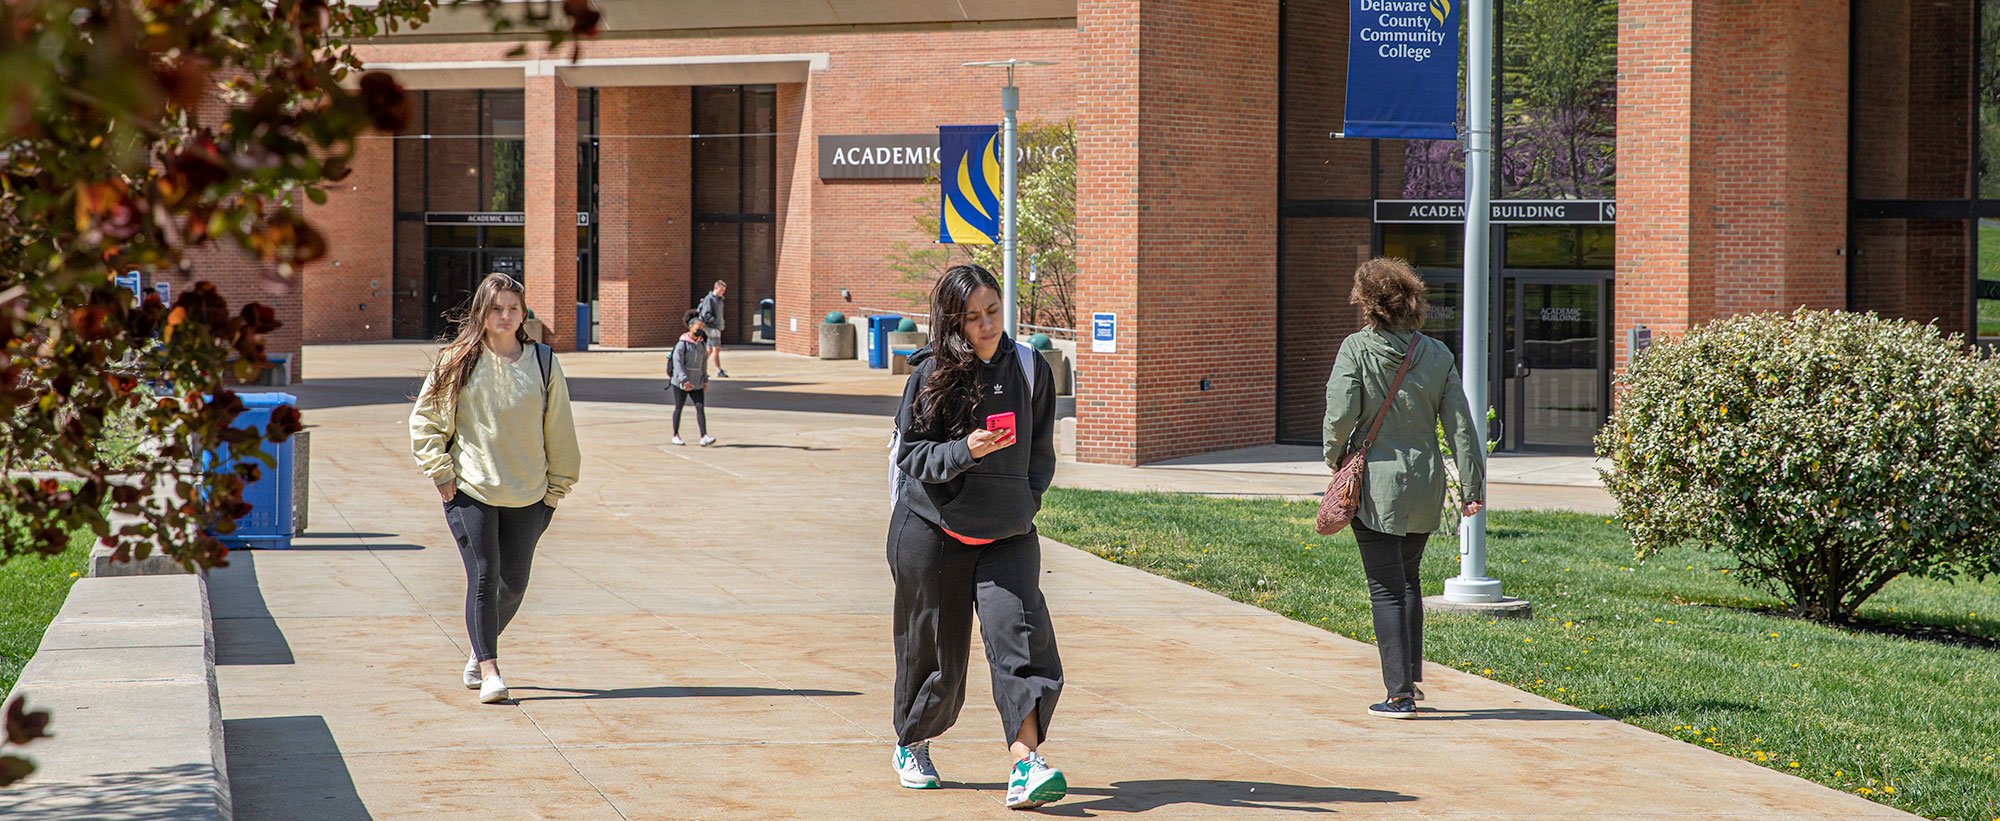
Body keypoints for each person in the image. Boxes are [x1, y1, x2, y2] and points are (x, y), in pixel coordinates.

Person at [886, 264, 1066, 810]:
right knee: (940, 660)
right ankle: (912, 742)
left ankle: (1026, 765)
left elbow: (1040, 454)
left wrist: (1024, 500)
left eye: (993, 311)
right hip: (933, 531)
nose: (988, 325)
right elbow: (912, 455)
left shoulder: (1031, 367)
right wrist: (968, 450)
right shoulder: (932, 373)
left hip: (1008, 533)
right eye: (973, 317)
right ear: (953, 322)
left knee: (1021, 642)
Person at [1323, 257, 1485, 720]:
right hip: (1425, 482)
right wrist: (1472, 486)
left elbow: (1340, 415)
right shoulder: (1436, 354)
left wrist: (1335, 459)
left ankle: (1398, 695)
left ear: (1368, 303)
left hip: (1376, 484)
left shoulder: (1357, 349)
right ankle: (1409, 680)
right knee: (1408, 578)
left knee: (1386, 588)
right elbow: (1461, 427)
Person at [410, 273, 582, 705]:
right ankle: (490, 670)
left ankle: (477, 647)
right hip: (471, 489)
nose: (505, 316)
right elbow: (425, 420)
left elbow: (559, 428)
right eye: (496, 308)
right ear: (482, 313)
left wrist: (556, 489)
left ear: (524, 314)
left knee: (514, 585)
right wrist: (442, 475)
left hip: (530, 494)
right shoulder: (458, 360)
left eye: (513, 308)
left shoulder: (543, 362)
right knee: (484, 575)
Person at [668, 312, 715, 446]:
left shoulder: (701, 344)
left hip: (697, 382)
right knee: (679, 407)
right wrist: (684, 380)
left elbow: (703, 363)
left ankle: (704, 435)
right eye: (698, 327)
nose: (700, 330)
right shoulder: (682, 344)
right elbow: (678, 363)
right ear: (690, 328)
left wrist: (705, 379)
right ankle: (675, 435)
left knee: (700, 407)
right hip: (681, 383)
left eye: (702, 327)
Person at [697, 280, 729, 378]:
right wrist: (714, 321)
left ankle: (699, 368)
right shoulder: (709, 299)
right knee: (716, 348)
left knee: (710, 349)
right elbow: (706, 314)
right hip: (712, 327)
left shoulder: (719, 299)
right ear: (716, 288)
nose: (723, 292)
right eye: (721, 289)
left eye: (724, 290)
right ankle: (719, 370)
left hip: (716, 327)